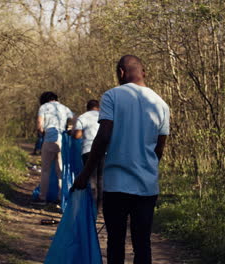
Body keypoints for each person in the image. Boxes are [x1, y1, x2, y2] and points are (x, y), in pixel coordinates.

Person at [73, 55, 170, 264]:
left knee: (116, 242)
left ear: (120, 73)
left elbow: (104, 135)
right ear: (144, 73)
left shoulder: (111, 96)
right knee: (142, 243)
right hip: (146, 186)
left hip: (117, 184)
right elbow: (159, 148)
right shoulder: (161, 104)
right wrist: (147, 168)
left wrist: (86, 173)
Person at [36, 91, 74, 203]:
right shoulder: (64, 108)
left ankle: (42, 197)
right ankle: (60, 198)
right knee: (61, 171)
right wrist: (70, 130)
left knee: (45, 170)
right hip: (62, 141)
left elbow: (39, 124)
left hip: (49, 140)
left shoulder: (43, 107)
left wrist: (41, 133)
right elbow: (75, 119)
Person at [72, 99, 104, 210]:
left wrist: (72, 132)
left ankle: (91, 206)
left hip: (88, 150)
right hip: (105, 151)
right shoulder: (104, 115)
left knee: (91, 178)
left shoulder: (83, 117)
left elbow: (77, 135)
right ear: (99, 107)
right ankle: (100, 206)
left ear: (87, 107)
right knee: (101, 178)